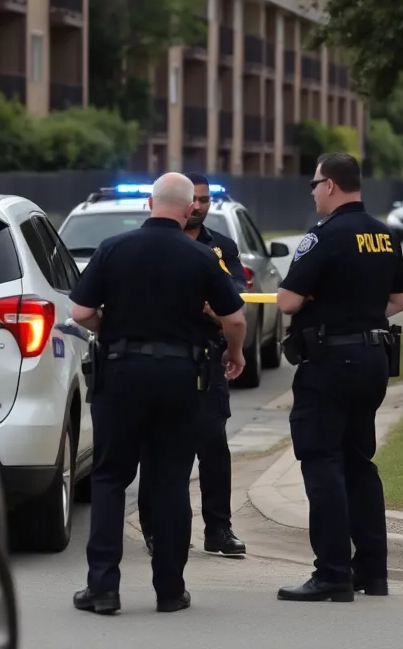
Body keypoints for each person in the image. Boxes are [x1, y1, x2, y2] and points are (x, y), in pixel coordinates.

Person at [69, 172, 248, 615]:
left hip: (121, 373)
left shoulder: (113, 249)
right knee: (170, 481)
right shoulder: (202, 256)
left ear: (149, 202)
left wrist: (113, 330)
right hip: (180, 377)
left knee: (111, 478)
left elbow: (80, 312)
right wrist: (236, 354)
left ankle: (103, 588)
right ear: (190, 209)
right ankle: (170, 590)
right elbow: (237, 318)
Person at [273, 152, 403, 603]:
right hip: (373, 359)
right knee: (359, 463)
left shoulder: (324, 235)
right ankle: (372, 571)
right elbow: (400, 299)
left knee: (322, 462)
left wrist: (324, 308)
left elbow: (287, 302)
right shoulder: (383, 234)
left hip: (330, 363)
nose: (312, 191)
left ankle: (332, 572)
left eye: (314, 184)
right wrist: (361, 316)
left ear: (330, 184)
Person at [139, 172, 248, 559]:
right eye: (194, 200)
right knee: (157, 448)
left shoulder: (221, 248)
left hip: (207, 358)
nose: (199, 206)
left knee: (213, 444)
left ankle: (218, 529)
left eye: (204, 200)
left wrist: (215, 312)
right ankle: (155, 528)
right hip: (161, 359)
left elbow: (234, 301)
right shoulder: (145, 241)